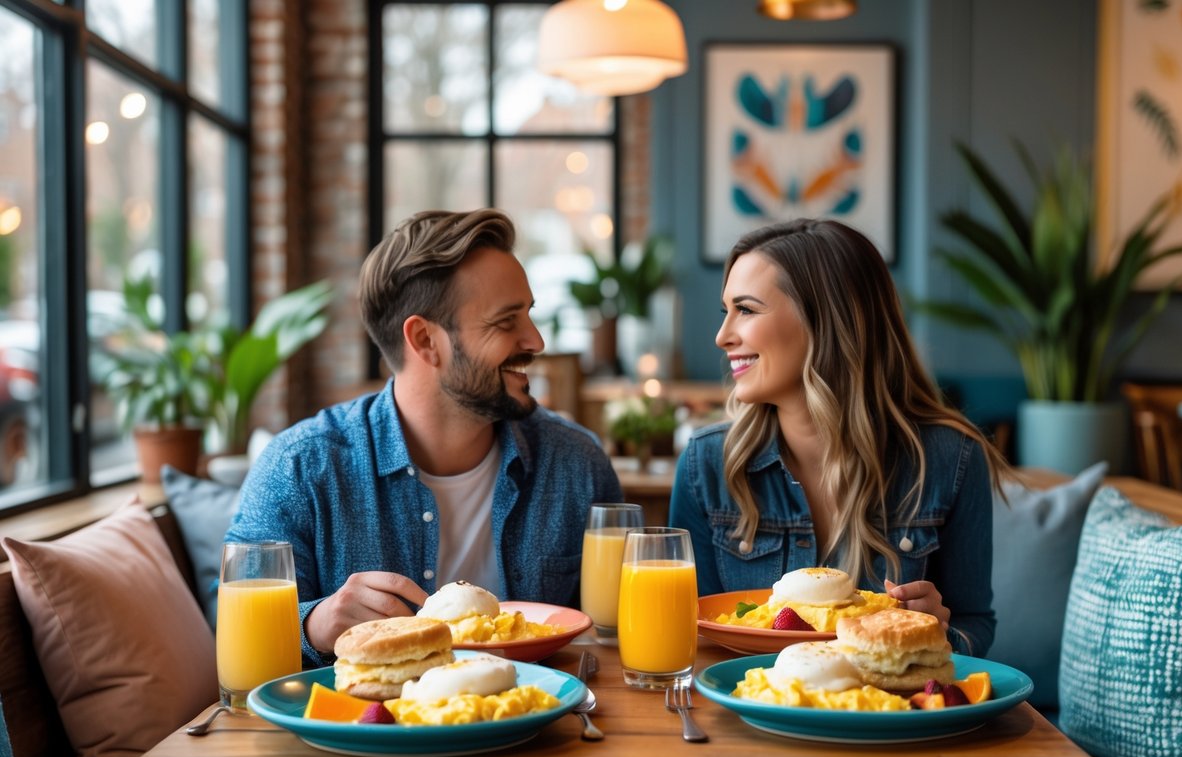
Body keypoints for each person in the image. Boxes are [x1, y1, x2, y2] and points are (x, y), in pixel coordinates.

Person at [228, 208, 623, 667]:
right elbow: (235, 621)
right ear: (425, 341)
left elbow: (614, 643)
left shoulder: (577, 464)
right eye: (506, 321)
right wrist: (314, 624)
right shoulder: (299, 467)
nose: (535, 341)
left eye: (529, 315)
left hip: (540, 731)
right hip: (365, 734)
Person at [669, 218, 1010, 659]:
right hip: (751, 712)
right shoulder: (708, 464)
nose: (722, 336)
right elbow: (695, 633)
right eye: (726, 311)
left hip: (886, 720)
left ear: (825, 321)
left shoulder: (951, 460)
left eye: (747, 310)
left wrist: (940, 631)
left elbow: (973, 625)